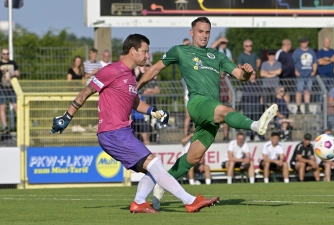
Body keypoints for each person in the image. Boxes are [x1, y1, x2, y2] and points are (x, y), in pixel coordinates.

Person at [50, 34, 219, 214]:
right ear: (132, 51)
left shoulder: (130, 76)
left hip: (122, 132)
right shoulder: (111, 70)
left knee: (152, 169)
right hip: (113, 133)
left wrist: (154, 111)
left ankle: (139, 202)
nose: (147, 56)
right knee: (155, 165)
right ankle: (190, 201)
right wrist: (67, 116)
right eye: (145, 51)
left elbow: (135, 102)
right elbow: (85, 92)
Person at [137, 17, 278, 210]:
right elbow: (154, 69)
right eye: (200, 31)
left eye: (207, 32)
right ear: (192, 32)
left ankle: (162, 182)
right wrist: (135, 87)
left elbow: (240, 76)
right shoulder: (180, 51)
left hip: (210, 112)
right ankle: (255, 125)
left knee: (193, 157)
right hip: (197, 103)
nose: (204, 35)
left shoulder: (217, 56)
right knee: (224, 110)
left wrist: (246, 72)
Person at [292, 37, 317, 114]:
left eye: (305, 42)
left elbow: (315, 62)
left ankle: (307, 108)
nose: (304, 43)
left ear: (307, 42)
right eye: (302, 42)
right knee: (299, 91)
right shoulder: (297, 52)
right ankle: (298, 108)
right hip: (300, 75)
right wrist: (295, 71)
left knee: (307, 91)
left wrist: (314, 71)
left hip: (309, 75)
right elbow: (293, 62)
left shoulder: (311, 51)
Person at [0, 48, 19, 134]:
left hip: (11, 88)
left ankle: (21, 124)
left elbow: (18, 72)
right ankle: (5, 127)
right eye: (4, 54)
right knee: (2, 107)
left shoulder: (12, 63)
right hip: (2, 88)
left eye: (7, 53)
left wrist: (15, 73)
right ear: (1, 54)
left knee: (16, 106)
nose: (6, 55)